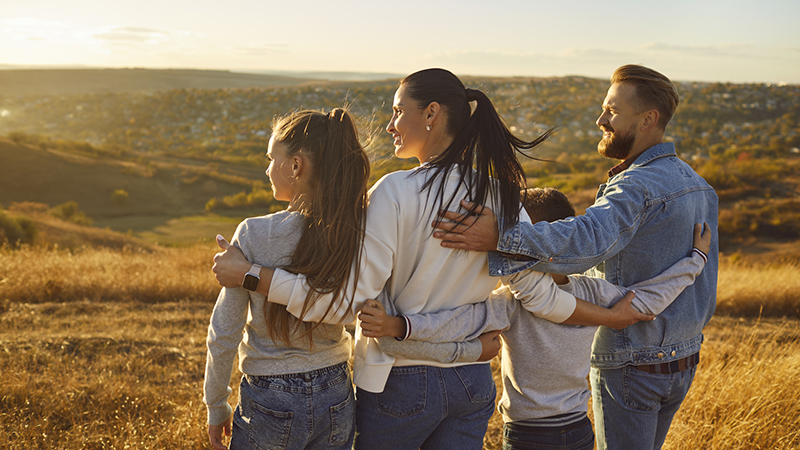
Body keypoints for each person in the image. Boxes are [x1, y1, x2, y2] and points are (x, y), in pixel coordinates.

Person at [211, 68, 652, 450]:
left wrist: (255, 276)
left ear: (432, 113)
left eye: (398, 111)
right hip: (472, 381)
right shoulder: (500, 195)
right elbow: (539, 294)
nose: (389, 125)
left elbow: (345, 305)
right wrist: (611, 317)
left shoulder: (393, 193)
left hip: (398, 382)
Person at [431, 65, 719, 450]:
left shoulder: (637, 186)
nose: (601, 120)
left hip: (634, 362)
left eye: (613, 112)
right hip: (682, 361)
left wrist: (503, 235)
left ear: (649, 119)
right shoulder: (698, 185)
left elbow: (586, 242)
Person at [360, 187, 712, 450]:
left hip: (528, 433)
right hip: (578, 428)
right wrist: (694, 261)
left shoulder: (513, 302)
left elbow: (458, 322)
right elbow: (650, 299)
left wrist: (400, 325)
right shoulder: (593, 293)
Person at [203, 108, 374, 450]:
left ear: (295, 166)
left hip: (271, 394)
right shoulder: (354, 228)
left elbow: (225, 331)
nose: (267, 169)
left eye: (271, 158)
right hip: (336, 390)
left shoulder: (254, 233)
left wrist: (215, 404)